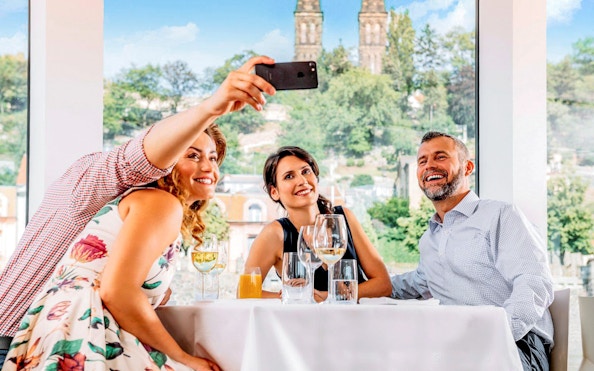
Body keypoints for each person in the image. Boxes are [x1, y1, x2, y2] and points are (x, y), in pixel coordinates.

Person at [0, 56, 277, 369]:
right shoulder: (120, 183)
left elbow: (120, 283)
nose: (208, 167)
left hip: (38, 338)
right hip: (58, 336)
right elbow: (117, 291)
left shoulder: (136, 205)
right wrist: (213, 105)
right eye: (192, 154)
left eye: (213, 158)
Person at [390, 131, 554, 371]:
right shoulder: (430, 238)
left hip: (516, 344)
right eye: (422, 161)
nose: (429, 165)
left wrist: (494, 335)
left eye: (440, 157)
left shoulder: (500, 215)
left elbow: (534, 283)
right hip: (456, 347)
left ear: (467, 167)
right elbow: (415, 283)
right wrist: (353, 284)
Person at [244, 146, 391, 302]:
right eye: (289, 176)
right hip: (309, 324)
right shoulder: (275, 234)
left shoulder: (344, 218)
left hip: (359, 321)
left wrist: (326, 297)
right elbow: (246, 292)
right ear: (274, 192)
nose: (302, 180)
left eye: (306, 171)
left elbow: (383, 285)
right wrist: (293, 296)